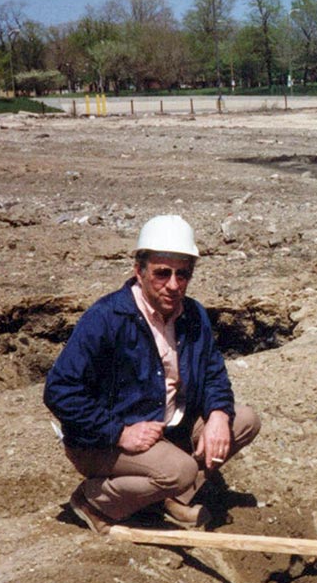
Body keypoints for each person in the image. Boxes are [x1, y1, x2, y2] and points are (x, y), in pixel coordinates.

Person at [45, 214, 260, 535]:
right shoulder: (107, 319)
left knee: (243, 421)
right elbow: (59, 390)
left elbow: (214, 371)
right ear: (139, 271)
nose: (173, 285)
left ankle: (168, 497)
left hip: (166, 431)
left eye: (182, 275)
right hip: (102, 442)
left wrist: (217, 413)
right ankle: (93, 502)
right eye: (162, 273)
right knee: (181, 469)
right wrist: (118, 432)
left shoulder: (194, 315)